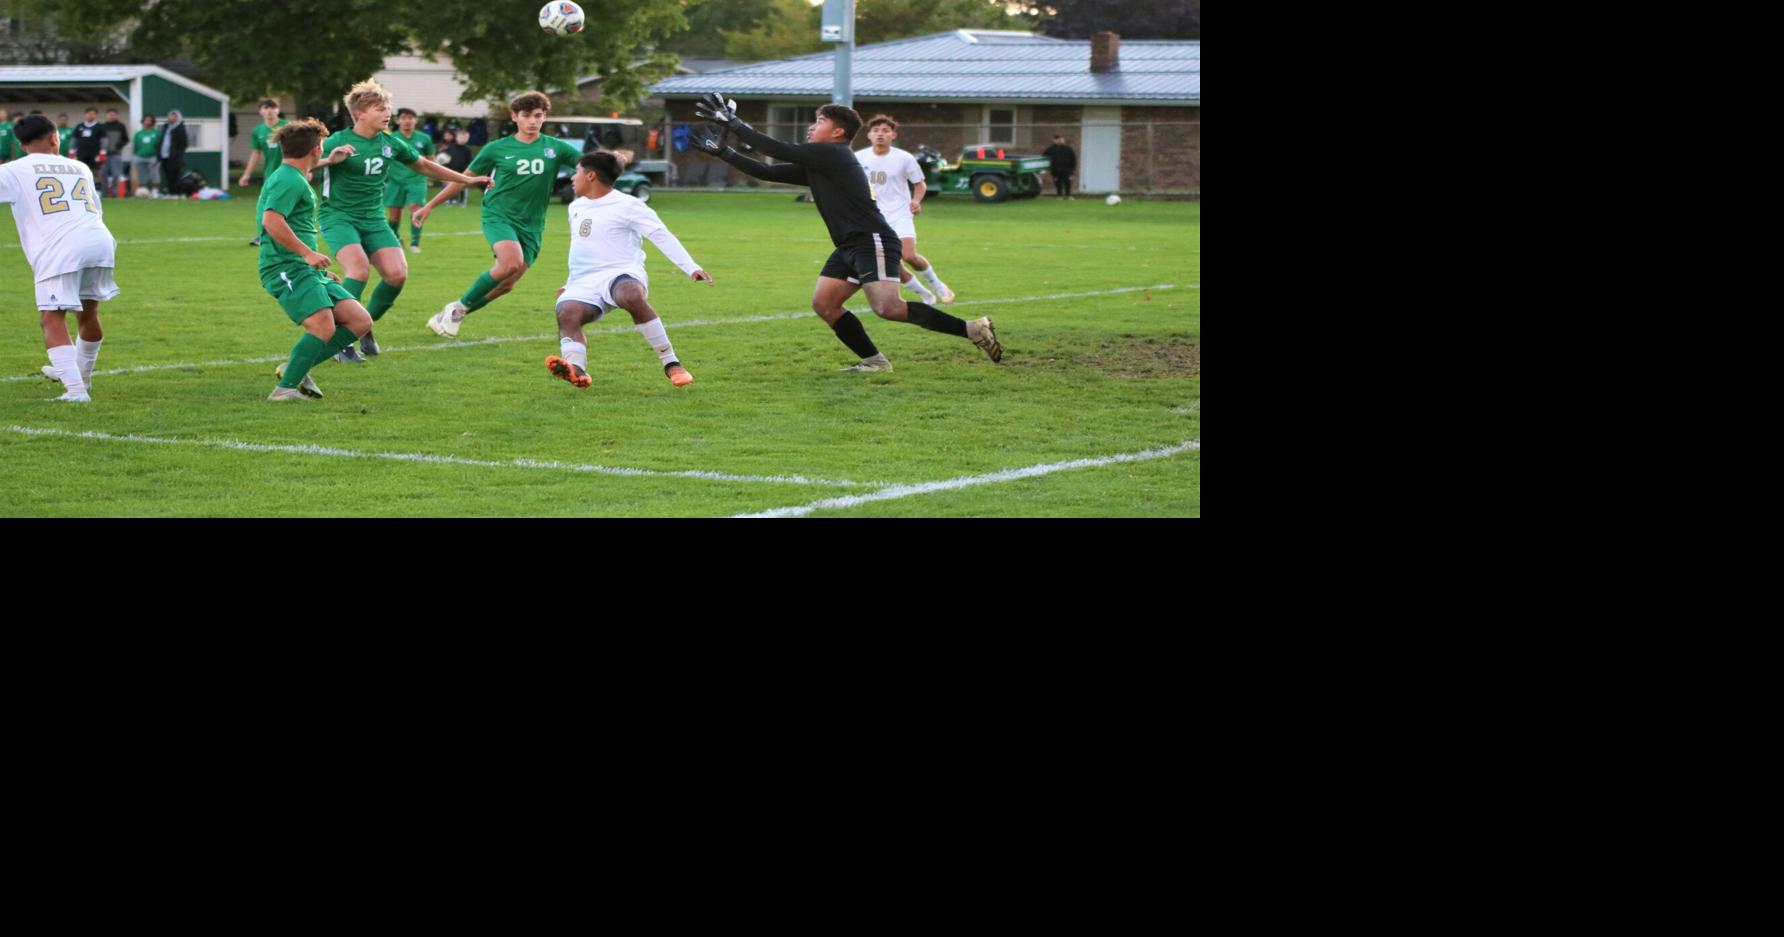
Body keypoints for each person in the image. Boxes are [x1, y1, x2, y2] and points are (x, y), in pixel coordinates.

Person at [692, 95, 1001, 371]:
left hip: (871, 239)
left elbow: (775, 148)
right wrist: (725, 153)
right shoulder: (822, 161)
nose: (812, 127)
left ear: (838, 132)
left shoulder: (833, 153)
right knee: (825, 304)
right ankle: (874, 361)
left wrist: (733, 121)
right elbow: (768, 171)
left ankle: (973, 329)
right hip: (849, 245)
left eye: (820, 121)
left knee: (888, 308)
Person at [317, 79, 491, 361]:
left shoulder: (389, 142)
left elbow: (423, 165)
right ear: (360, 113)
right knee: (358, 270)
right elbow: (302, 165)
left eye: (388, 108)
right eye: (379, 108)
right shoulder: (336, 141)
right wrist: (329, 160)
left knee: (397, 275)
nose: (387, 113)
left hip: (373, 218)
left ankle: (362, 325)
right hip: (339, 216)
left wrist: (466, 179)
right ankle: (340, 339)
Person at [416, 91, 581, 338]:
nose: (532, 121)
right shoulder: (496, 149)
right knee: (510, 263)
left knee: (507, 284)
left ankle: (455, 312)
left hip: (532, 224)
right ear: (514, 116)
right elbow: (463, 179)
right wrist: (430, 205)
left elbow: (591, 165)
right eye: (526, 115)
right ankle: (454, 310)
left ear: (544, 116)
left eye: (538, 115)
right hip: (498, 215)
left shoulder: (555, 148)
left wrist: (613, 160)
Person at [546, 151, 709, 390]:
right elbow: (579, 249)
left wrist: (691, 267)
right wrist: (570, 283)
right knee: (566, 311)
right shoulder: (576, 207)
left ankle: (671, 363)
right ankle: (576, 370)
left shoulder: (629, 205)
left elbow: (660, 235)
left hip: (621, 272)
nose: (572, 177)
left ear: (590, 176)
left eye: (576, 172)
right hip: (584, 280)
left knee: (630, 295)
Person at [0, 116, 120, 403]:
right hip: (99, 240)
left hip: (60, 248)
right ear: (55, 138)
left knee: (51, 318)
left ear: (20, 144)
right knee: (88, 313)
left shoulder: (13, 170)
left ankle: (76, 392)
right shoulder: (80, 166)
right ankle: (82, 378)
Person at [253, 118, 373, 401]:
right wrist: (307, 253)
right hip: (285, 266)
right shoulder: (289, 180)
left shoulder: (293, 176)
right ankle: (284, 390)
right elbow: (271, 220)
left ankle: (295, 367)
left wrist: (315, 267)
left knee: (359, 320)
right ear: (316, 149)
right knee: (323, 325)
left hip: (304, 267)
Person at [855, 114, 956, 306]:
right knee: (892, 264)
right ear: (869, 135)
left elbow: (920, 184)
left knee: (908, 255)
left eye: (885, 131)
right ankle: (924, 294)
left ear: (893, 135)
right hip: (872, 218)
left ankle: (938, 285)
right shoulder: (859, 158)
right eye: (875, 131)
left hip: (899, 213)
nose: (880, 134)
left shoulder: (904, 158)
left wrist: (916, 201)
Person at [382, 107, 434, 254]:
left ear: (415, 121)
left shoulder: (424, 138)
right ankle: (395, 240)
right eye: (404, 118)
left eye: (411, 118)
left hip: (417, 180)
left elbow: (431, 160)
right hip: (395, 180)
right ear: (398, 120)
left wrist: (436, 176)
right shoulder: (390, 138)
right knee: (394, 215)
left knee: (416, 210)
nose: (407, 121)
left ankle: (415, 243)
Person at [240, 99, 287, 245]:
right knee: (265, 206)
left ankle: (284, 236)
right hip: (270, 176)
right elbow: (256, 153)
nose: (270, 111)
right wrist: (246, 175)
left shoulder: (287, 127)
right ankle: (264, 236)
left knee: (286, 206)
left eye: (273, 107)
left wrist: (306, 170)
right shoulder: (258, 131)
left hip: (289, 174)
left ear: (278, 110)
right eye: (266, 108)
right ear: (260, 111)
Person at [433, 129, 472, 206]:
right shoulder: (449, 148)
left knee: (462, 187)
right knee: (448, 187)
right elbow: (441, 158)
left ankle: (462, 202)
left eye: (465, 137)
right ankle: (448, 201)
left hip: (463, 172)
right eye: (461, 137)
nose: (463, 139)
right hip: (450, 172)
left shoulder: (467, 150)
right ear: (457, 137)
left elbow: (470, 162)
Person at [99, 108, 129, 196]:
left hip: (116, 155)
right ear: (107, 115)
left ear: (116, 115)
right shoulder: (102, 126)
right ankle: (104, 193)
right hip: (104, 155)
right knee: (103, 175)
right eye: (110, 114)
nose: (112, 116)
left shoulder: (121, 126)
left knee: (117, 175)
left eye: (113, 114)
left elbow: (126, 139)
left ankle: (115, 193)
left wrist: (118, 145)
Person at [131, 115, 161, 198]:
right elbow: (135, 145)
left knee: (154, 174)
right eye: (146, 120)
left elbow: (160, 145)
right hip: (139, 156)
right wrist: (135, 156)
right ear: (143, 121)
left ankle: (155, 192)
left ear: (152, 122)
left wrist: (158, 156)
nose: (147, 122)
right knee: (141, 175)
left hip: (152, 157)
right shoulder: (138, 134)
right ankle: (142, 192)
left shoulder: (157, 133)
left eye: (149, 120)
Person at [159, 110, 188, 197]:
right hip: (164, 156)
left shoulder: (180, 128)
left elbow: (183, 144)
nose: (170, 118)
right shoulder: (166, 127)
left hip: (174, 157)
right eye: (169, 116)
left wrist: (177, 155)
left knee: (175, 175)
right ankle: (170, 192)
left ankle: (176, 193)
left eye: (173, 116)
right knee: (168, 175)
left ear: (177, 117)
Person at [1042, 134, 1077, 199]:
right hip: (1056, 170)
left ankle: (1068, 195)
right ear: (1054, 140)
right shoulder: (1050, 149)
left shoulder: (1068, 149)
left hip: (1067, 169)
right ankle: (1059, 195)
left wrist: (1072, 169)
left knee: (1067, 182)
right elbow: (1044, 157)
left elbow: (1073, 159)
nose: (1060, 141)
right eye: (1058, 139)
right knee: (1058, 183)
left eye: (1062, 139)